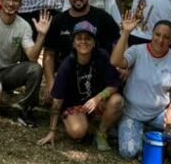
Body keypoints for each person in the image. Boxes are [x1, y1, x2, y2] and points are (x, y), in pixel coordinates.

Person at [111, 5, 171, 159]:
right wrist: (126, 33)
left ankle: (149, 135)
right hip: (133, 113)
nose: (161, 40)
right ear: (152, 34)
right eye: (157, 34)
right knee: (128, 153)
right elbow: (115, 61)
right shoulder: (137, 51)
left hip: (159, 114)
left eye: (166, 37)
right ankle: (140, 133)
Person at [39, 21, 124, 150]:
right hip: (73, 105)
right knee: (78, 132)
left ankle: (101, 133)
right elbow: (57, 101)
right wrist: (52, 131)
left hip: (95, 103)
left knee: (117, 101)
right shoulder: (67, 65)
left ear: (94, 42)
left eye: (88, 38)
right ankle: (75, 121)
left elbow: (114, 85)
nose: (83, 42)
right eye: (79, 38)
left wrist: (98, 98)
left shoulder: (102, 56)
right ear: (73, 43)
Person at [45, 0, 120, 97]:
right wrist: (50, 82)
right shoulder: (58, 21)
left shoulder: (103, 17)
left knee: (116, 103)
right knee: (52, 100)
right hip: (67, 77)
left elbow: (118, 42)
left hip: (99, 77)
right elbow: (49, 53)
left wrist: (122, 66)